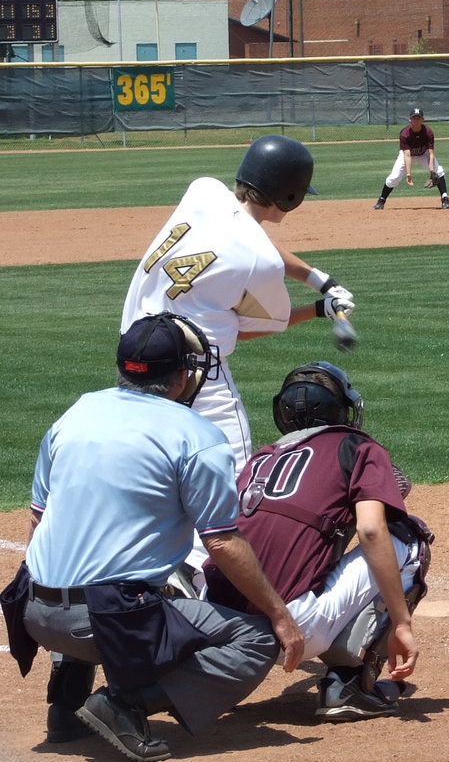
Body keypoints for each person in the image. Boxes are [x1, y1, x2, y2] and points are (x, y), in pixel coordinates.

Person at [20, 312, 305, 762]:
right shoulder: (198, 437)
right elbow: (222, 542)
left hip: (34, 613)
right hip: (103, 622)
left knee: (89, 560)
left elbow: (38, 522)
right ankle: (124, 705)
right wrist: (280, 615)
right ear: (182, 378)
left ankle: (65, 707)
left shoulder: (75, 413)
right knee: (255, 640)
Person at [203, 362, 433, 722]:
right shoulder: (358, 447)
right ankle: (351, 684)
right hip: (294, 629)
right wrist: (402, 623)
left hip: (219, 624)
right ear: (343, 409)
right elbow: (372, 531)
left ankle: (211, 673)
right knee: (408, 538)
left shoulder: (259, 460)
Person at [121, 134, 356, 472]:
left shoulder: (204, 191)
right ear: (289, 197)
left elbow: (252, 240)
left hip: (133, 362)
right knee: (233, 481)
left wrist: (320, 281)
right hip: (197, 380)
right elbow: (251, 329)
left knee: (148, 471)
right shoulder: (259, 260)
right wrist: (320, 309)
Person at [374, 107, 449, 210]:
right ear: (409, 119)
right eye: (414, 118)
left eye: (418, 118)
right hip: (406, 155)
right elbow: (407, 155)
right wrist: (408, 174)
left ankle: (445, 199)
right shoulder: (405, 134)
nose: (416, 120)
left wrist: (432, 171)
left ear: (422, 119)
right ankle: (382, 200)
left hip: (424, 154)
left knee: (439, 171)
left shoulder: (428, 132)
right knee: (394, 177)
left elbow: (431, 153)